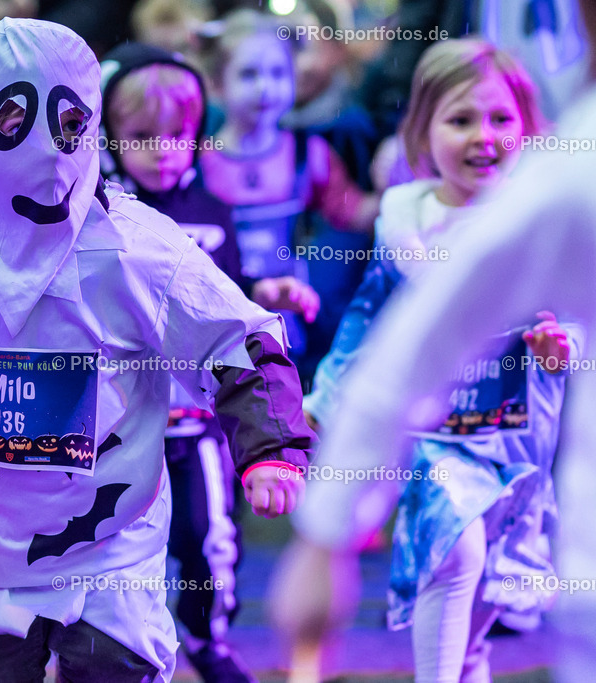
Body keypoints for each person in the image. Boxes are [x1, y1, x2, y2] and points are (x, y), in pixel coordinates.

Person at [0, 18, 313, 682]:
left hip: (111, 539)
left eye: (70, 120)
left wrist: (270, 445)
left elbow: (237, 338)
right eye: (13, 119)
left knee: (115, 666)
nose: (48, 149)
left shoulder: (137, 246)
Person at [270, 12, 596, 682]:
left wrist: (567, 349)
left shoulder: (547, 210)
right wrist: (327, 405)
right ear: (421, 131)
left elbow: (577, 322)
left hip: (517, 449)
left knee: (487, 591)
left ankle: (464, 664)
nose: (485, 138)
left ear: (531, 131)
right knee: (456, 549)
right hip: (437, 443)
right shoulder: (406, 226)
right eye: (461, 120)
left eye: (503, 121)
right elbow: (374, 331)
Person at [99, 41, 260, 683]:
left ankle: (205, 638)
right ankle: (112, 647)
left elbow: (230, 300)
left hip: (197, 422)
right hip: (115, 424)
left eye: (178, 135)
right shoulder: (94, 213)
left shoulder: (210, 210)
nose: (162, 150)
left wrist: (265, 296)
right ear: (108, 133)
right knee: (107, 543)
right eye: (142, 135)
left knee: (210, 542)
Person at [198, 9, 378, 385]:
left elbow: (355, 213)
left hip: (290, 330)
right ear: (217, 84)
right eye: (249, 74)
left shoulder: (308, 154)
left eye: (279, 74)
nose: (266, 87)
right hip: (216, 326)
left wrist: (405, 175)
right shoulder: (198, 161)